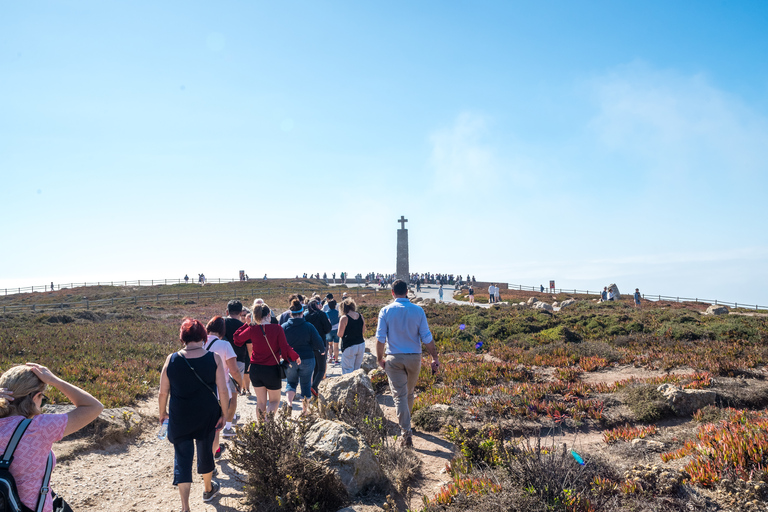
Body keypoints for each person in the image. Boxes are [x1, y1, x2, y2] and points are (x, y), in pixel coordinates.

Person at [0, 363, 103, 512]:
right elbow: (94, 407)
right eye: (43, 399)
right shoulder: (39, 428)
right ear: (36, 397)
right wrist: (55, 380)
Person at [159, 318, 228, 510]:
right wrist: (224, 414)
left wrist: (162, 413)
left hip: (180, 415)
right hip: (207, 414)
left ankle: (185, 506)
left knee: (182, 458)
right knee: (206, 451)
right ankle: (208, 489)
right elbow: (223, 390)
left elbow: (163, 392)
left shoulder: (171, 359)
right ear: (203, 337)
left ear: (183, 338)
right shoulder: (214, 358)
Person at [375, 279, 439, 447]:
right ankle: (407, 425)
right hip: (414, 358)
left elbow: (380, 338)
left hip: (394, 358)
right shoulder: (418, 310)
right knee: (409, 393)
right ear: (408, 291)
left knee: (400, 396)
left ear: (392, 292)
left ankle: (406, 432)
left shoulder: (385, 311)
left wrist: (379, 358)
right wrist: (434, 357)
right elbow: (427, 337)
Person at [234, 302, 300, 420]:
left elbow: (237, 338)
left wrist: (247, 324)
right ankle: (268, 426)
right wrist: (295, 356)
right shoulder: (277, 328)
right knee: (274, 401)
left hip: (255, 369)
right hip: (271, 370)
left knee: (260, 402)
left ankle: (261, 429)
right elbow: (285, 348)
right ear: (269, 315)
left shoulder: (252, 329)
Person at [204, 316, 244, 460]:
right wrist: (241, 384)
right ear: (223, 331)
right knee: (216, 427)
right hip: (220, 392)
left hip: (201, 390)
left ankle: (210, 452)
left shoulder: (198, 343)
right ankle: (212, 456)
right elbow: (234, 371)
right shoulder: (225, 345)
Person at [281, 298, 324, 415]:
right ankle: (304, 411)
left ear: (291, 313)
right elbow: (318, 341)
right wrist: (322, 350)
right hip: (307, 358)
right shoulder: (309, 326)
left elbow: (279, 343)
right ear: (302, 313)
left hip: (290, 360)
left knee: (291, 382)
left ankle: (289, 404)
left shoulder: (284, 327)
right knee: (305, 384)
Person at [221, 301, 246, 437]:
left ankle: (228, 418)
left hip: (220, 360)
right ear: (241, 312)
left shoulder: (222, 324)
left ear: (227, 311)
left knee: (222, 393)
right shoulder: (243, 326)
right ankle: (228, 426)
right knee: (234, 394)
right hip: (238, 361)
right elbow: (248, 347)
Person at [305, 299, 332, 395]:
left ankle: (313, 389)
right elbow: (328, 328)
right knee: (321, 368)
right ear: (316, 305)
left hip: (310, 345)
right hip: (321, 343)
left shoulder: (306, 316)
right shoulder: (322, 314)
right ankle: (314, 386)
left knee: (315, 367)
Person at [337, 298, 365, 374]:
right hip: (361, 344)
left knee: (347, 371)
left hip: (349, 346)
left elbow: (340, 334)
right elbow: (363, 331)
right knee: (357, 370)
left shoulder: (344, 318)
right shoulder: (360, 316)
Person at [325, 299, 341, 365]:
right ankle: (336, 360)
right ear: (335, 305)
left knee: (330, 345)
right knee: (336, 345)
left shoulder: (326, 313)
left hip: (329, 330)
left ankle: (330, 357)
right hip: (337, 330)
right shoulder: (338, 312)